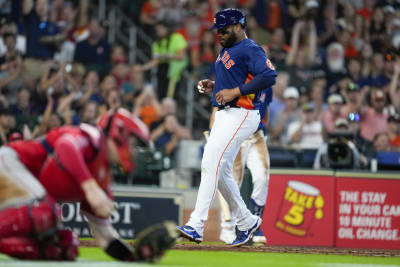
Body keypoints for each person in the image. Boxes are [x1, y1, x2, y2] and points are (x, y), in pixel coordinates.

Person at [0, 108, 176, 261]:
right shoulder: (93, 136)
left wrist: (134, 257)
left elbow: (105, 238)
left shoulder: (103, 179)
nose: (134, 151)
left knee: (65, 246)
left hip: (24, 187)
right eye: (134, 143)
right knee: (46, 213)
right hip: (10, 162)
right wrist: (89, 186)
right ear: (119, 133)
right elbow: (65, 146)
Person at [176, 8, 276, 247]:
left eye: (224, 29)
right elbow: (233, 78)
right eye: (217, 30)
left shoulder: (250, 48)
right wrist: (213, 85)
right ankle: (247, 220)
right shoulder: (227, 50)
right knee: (220, 171)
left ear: (239, 26)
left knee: (210, 163)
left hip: (242, 113)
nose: (219, 34)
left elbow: (270, 75)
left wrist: (236, 91)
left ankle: (196, 224)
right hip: (226, 113)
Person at [218, 88, 272, 245]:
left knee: (262, 178)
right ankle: (227, 228)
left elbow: (265, 108)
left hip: (257, 135)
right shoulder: (237, 76)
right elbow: (218, 107)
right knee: (233, 181)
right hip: (237, 135)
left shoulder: (266, 82)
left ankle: (255, 225)